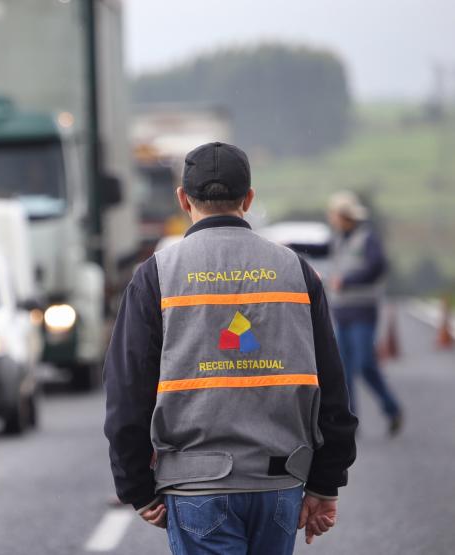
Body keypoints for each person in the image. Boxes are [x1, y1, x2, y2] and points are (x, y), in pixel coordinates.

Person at [103, 142, 358, 554]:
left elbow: (127, 388)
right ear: (249, 199)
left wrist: (137, 487)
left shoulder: (157, 275)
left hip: (195, 484)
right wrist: (326, 483)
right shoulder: (297, 273)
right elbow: (330, 384)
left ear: (183, 199)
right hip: (280, 482)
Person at [327, 191, 403, 435]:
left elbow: (377, 265)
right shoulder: (338, 239)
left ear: (344, 216)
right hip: (342, 312)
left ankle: (392, 409)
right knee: (344, 370)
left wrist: (347, 280)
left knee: (365, 364)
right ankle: (350, 422)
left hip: (362, 311)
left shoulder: (367, 238)